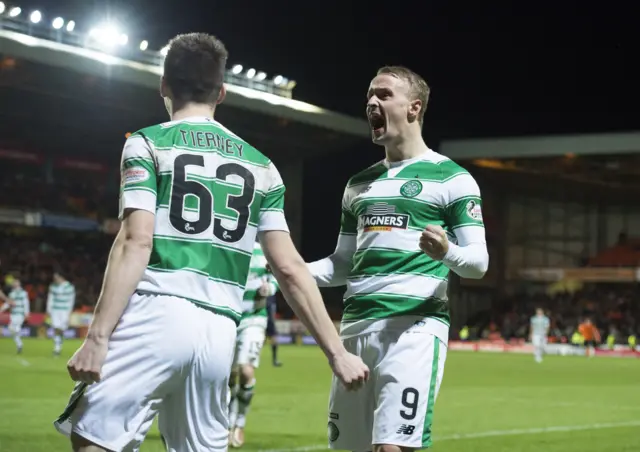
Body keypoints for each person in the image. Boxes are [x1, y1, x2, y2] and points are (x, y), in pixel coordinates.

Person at [53, 32, 368, 452]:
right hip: (221, 330)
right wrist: (337, 353)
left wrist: (97, 338)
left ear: (164, 85)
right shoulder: (262, 167)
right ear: (222, 92)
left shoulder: (147, 144)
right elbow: (289, 268)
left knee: (94, 438)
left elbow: (136, 241)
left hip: (156, 312)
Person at [307, 66, 488, 452]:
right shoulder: (358, 183)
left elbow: (478, 262)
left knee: (393, 448)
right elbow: (341, 264)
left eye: (384, 95)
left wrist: (447, 252)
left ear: (414, 107)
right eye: (369, 96)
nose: (372, 102)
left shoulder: (452, 178)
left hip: (413, 330)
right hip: (354, 332)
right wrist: (288, 271)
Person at [229, 240, 279, 447]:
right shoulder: (227, 246)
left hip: (253, 319)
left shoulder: (263, 250)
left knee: (246, 370)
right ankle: (226, 423)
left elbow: (275, 276)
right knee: (227, 377)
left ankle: (239, 423)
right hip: (227, 318)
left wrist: (270, 287)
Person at [47, 271, 76, 356]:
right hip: (55, 310)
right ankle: (57, 347)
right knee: (56, 327)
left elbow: (71, 300)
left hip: (64, 311)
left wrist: (70, 311)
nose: (55, 279)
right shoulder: (53, 287)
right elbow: (50, 298)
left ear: (61, 277)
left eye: (56, 278)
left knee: (61, 328)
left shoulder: (69, 287)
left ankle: (59, 342)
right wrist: (48, 309)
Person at [0, 277, 30, 354]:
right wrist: (1, 309)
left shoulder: (23, 293)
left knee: (15, 329)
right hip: (13, 314)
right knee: (11, 329)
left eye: (16, 282)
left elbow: (26, 303)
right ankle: (19, 344)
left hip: (20, 313)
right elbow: (8, 303)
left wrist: (26, 313)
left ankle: (19, 341)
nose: (15, 283)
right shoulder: (12, 294)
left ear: (19, 283)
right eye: (14, 282)